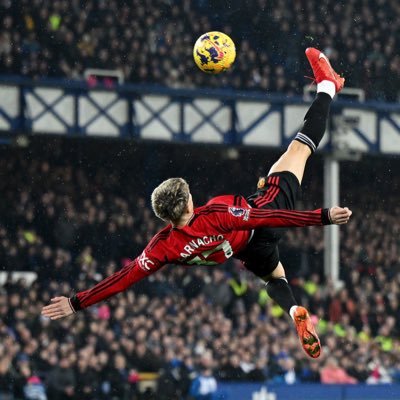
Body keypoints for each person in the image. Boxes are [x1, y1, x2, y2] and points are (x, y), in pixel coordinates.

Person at [42, 48, 350, 359]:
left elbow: (122, 279)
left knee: (275, 277)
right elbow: (266, 217)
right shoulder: (215, 212)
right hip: (262, 218)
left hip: (247, 250)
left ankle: (294, 308)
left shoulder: (163, 246)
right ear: (189, 201)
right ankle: (327, 85)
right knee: (300, 148)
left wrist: (76, 302)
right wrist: (323, 216)